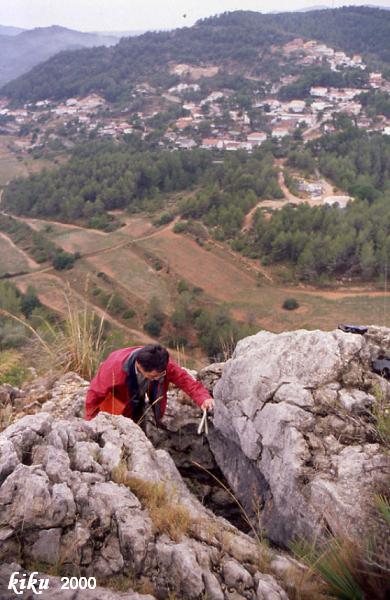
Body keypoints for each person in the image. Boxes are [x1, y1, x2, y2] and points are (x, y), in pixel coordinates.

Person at [85, 343, 214, 427]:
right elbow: (95, 394)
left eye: (161, 375)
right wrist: (91, 424)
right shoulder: (113, 369)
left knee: (139, 421)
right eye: (153, 376)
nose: (158, 378)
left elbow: (185, 380)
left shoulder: (161, 364)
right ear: (139, 366)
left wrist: (203, 398)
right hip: (118, 402)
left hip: (138, 399)